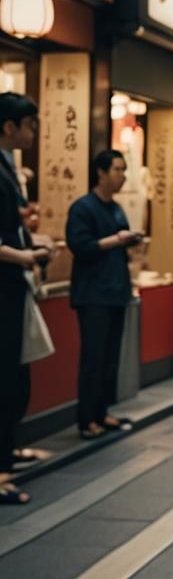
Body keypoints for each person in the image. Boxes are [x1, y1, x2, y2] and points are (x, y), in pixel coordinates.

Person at [66, 150, 142, 440]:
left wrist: (128, 241)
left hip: (116, 291)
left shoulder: (117, 208)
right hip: (93, 293)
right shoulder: (83, 208)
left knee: (111, 356)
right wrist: (116, 240)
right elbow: (80, 246)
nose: (122, 176)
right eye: (117, 170)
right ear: (101, 172)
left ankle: (102, 411)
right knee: (94, 357)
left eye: (124, 170)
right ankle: (87, 419)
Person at [0, 94, 53, 504]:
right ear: (9, 127)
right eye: (29, 125)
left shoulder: (8, 167)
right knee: (4, 374)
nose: (33, 133)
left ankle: (8, 452)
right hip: (4, 286)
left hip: (13, 284)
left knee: (15, 373)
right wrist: (26, 254)